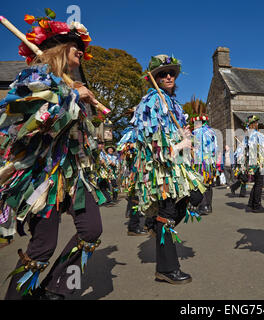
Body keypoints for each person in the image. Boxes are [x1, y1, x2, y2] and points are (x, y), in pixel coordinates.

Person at [1, 11, 104, 299]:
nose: (82, 53)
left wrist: (82, 102)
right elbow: (36, 124)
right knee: (43, 245)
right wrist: (72, 97)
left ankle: (55, 288)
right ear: (61, 48)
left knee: (91, 230)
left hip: (72, 172)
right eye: (77, 47)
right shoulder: (35, 77)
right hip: (40, 173)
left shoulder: (72, 83)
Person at [122, 54, 205, 284]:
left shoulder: (172, 103)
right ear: (153, 78)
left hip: (177, 167)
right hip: (161, 170)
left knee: (196, 194)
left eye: (171, 73)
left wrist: (184, 137)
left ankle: (153, 224)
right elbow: (154, 148)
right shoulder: (151, 103)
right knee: (167, 215)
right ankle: (167, 269)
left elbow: (172, 135)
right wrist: (181, 145)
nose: (168, 76)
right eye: (162, 74)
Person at [236, 115, 264, 213]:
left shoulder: (247, 135)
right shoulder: (257, 135)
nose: (258, 124)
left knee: (257, 183)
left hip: (251, 162)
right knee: (259, 183)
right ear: (253, 124)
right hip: (257, 163)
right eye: (256, 122)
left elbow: (242, 150)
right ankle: (257, 205)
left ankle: (251, 203)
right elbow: (262, 150)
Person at [191, 115, 217, 215]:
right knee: (208, 183)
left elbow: (194, 148)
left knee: (201, 183)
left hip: (201, 162)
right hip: (210, 162)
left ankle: (203, 206)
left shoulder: (196, 132)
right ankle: (208, 206)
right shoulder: (211, 131)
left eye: (195, 123)